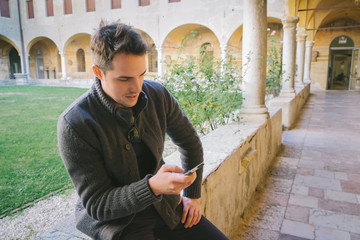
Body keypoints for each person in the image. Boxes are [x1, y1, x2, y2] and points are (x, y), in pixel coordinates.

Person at [57, 20, 229, 240]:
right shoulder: (75, 123)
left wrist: (192, 195)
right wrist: (152, 187)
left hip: (165, 207)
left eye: (141, 74)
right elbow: (98, 205)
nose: (136, 87)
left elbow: (190, 142)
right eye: (124, 78)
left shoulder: (157, 94)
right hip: (119, 224)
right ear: (98, 72)